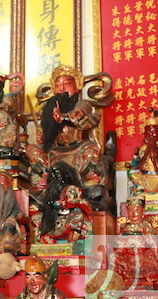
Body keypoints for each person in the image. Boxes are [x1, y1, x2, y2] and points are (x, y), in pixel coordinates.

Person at [26, 64, 113, 210]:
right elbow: (44, 133)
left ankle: (89, 176)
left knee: (91, 149)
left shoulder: (82, 104)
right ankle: (43, 178)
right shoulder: (47, 110)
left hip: (78, 148)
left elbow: (80, 117)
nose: (62, 88)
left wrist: (63, 117)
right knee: (32, 149)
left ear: (76, 86)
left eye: (66, 84)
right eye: (58, 85)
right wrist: (43, 135)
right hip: (55, 151)